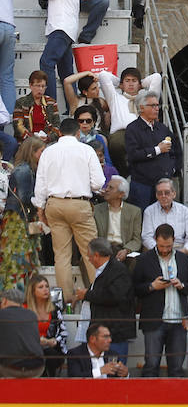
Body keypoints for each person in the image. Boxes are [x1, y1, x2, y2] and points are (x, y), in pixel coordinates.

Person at [32, 117, 104, 302]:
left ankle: (67, 301)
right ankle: (99, 296)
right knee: (91, 253)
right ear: (78, 132)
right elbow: (98, 183)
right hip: (79, 203)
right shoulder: (86, 150)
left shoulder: (48, 152)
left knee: (61, 256)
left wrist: (40, 209)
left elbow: (40, 183)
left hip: (54, 204)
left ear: (60, 133)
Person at [133, 223, 188, 377]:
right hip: (154, 321)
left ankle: (177, 400)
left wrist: (181, 285)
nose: (164, 249)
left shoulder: (183, 259)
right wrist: (152, 286)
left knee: (177, 368)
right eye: (161, 246)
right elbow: (134, 288)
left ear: (174, 241)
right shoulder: (144, 259)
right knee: (151, 366)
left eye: (168, 246)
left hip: (178, 322)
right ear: (155, 240)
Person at [75, 238, 135, 360]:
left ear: (96, 255)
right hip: (102, 332)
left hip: (115, 333)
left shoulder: (118, 270)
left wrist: (87, 295)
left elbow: (114, 296)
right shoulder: (105, 270)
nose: (89, 260)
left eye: (89, 257)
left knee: (115, 373)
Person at [98, 67, 162, 177]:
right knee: (118, 144)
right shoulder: (115, 98)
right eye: (127, 81)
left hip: (141, 133)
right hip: (121, 134)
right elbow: (103, 75)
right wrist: (120, 83)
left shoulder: (146, 99)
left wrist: (141, 83)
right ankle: (125, 175)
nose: (131, 84)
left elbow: (156, 77)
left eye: (134, 81)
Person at [37, 0, 79, 105]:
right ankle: (73, 109)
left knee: (46, 62)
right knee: (66, 73)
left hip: (61, 28)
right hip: (65, 28)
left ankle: (51, 107)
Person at [124, 91, 179, 209]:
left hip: (163, 184)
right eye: (152, 105)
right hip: (142, 185)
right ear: (141, 107)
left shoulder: (162, 128)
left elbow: (175, 151)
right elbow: (133, 155)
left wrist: (172, 169)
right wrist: (157, 149)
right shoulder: (132, 129)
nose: (157, 108)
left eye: (157, 105)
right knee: (142, 219)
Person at [4, 137, 44, 274]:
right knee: (18, 261)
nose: (44, 155)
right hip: (18, 221)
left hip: (21, 218)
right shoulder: (24, 171)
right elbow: (25, 197)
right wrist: (42, 201)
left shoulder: (28, 169)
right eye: (41, 151)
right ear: (32, 152)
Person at [93, 175, 141, 266]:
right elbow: (93, 236)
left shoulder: (134, 212)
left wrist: (126, 250)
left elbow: (137, 239)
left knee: (135, 261)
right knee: (85, 260)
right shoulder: (96, 210)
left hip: (123, 248)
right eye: (107, 186)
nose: (106, 189)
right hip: (103, 248)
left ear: (121, 194)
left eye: (110, 188)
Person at [23, 275, 66, 377]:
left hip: (50, 348)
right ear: (33, 291)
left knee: (50, 354)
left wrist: (55, 341)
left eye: (47, 286)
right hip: (29, 349)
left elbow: (63, 332)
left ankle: (48, 384)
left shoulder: (55, 309)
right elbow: (20, 333)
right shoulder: (24, 309)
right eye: (41, 287)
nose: (45, 289)